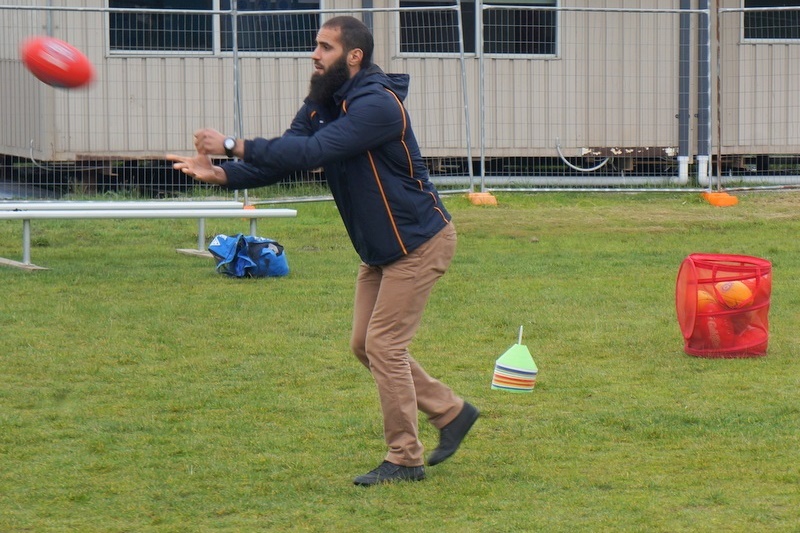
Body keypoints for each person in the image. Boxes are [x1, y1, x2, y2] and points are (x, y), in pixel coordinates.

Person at [166, 15, 478, 486]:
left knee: (384, 346)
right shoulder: (322, 104)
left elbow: (314, 154)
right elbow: (288, 154)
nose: (314, 54)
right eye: (316, 46)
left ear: (354, 56)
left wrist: (232, 144)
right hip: (381, 248)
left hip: (419, 241)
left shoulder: (379, 105)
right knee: (363, 345)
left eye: (325, 47)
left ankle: (405, 458)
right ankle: (451, 412)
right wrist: (224, 174)